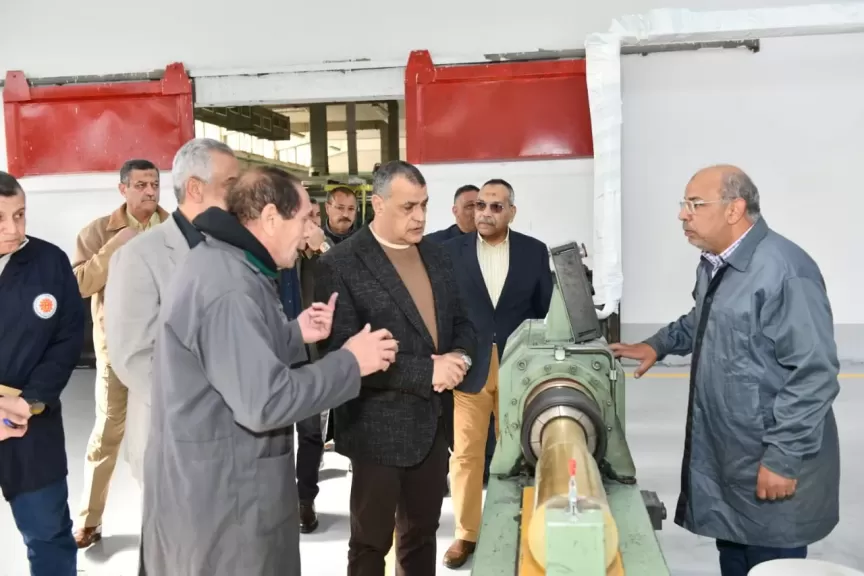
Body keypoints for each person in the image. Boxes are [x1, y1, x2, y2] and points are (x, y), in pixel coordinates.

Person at [139, 166, 398, 576]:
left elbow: (232, 356)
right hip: (227, 508)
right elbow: (265, 400)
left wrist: (293, 334)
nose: (311, 231)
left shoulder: (228, 263)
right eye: (306, 219)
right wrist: (350, 362)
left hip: (223, 486)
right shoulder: (229, 287)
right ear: (272, 217)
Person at [611, 165, 840, 576]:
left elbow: (814, 373)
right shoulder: (716, 264)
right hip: (732, 456)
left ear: (734, 209)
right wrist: (658, 344)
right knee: (735, 558)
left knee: (771, 563)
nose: (683, 214)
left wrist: (784, 457)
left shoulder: (785, 271)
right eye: (684, 204)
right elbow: (706, 317)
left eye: (695, 204)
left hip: (767, 456)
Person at [315, 160, 477, 576]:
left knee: (421, 536)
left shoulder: (437, 256)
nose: (420, 216)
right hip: (377, 432)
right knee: (370, 545)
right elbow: (343, 355)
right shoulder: (342, 264)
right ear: (379, 204)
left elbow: (462, 321)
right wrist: (428, 372)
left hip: (432, 427)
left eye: (424, 205)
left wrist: (460, 358)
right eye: (408, 207)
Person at [104, 139, 239, 487]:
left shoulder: (233, 249)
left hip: (233, 435)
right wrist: (205, 403)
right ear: (195, 188)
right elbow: (133, 356)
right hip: (173, 438)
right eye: (230, 184)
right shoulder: (139, 256)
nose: (240, 195)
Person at [442, 178, 553, 568]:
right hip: (469, 369)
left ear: (511, 212)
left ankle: (522, 527)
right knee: (466, 455)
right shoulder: (450, 253)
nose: (485, 213)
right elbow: (443, 309)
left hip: (518, 368)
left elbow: (544, 311)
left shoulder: (533, 252)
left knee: (520, 452)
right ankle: (466, 534)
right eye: (480, 206)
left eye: (495, 207)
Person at [72, 159, 169, 547]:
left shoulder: (175, 229)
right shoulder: (98, 232)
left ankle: (165, 519)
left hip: (165, 351)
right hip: (116, 351)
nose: (150, 191)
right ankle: (89, 520)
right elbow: (80, 284)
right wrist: (115, 246)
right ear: (123, 189)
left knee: (165, 435)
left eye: (155, 184)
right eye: (141, 184)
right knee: (108, 434)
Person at [0, 171, 86, 575]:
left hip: (32, 421)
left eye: (19, 215)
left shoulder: (49, 262)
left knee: (49, 533)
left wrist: (29, 401)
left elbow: (67, 339)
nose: (13, 229)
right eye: (1, 219)